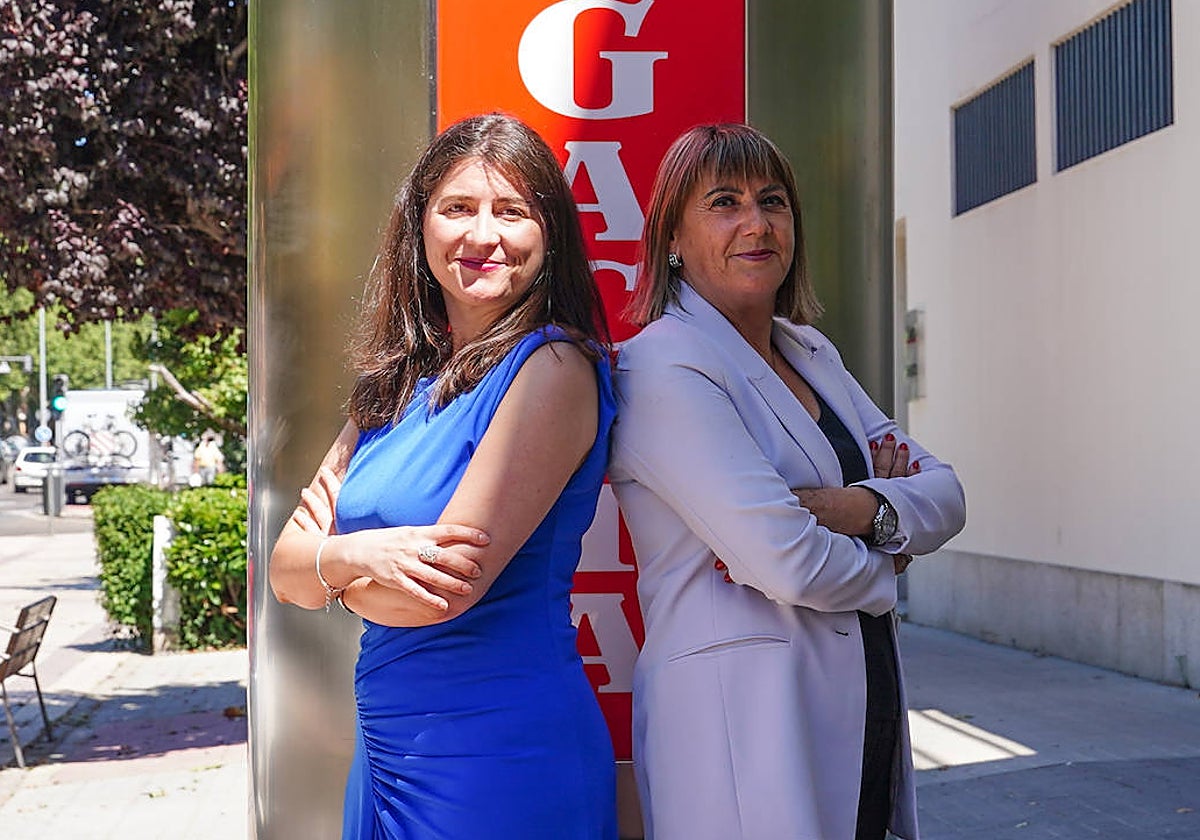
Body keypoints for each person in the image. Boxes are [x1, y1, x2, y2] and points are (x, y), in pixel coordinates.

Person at [608, 124, 967, 840]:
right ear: (671, 237)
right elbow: (789, 559)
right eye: (724, 202)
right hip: (742, 727)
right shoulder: (660, 366)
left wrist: (849, 508)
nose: (757, 222)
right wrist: (892, 554)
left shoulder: (808, 350)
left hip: (859, 710)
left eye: (772, 201)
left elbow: (946, 493)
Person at [269, 113, 618, 839]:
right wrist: (359, 556)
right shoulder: (395, 385)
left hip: (498, 758)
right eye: (457, 208)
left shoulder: (552, 368)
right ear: (419, 225)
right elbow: (281, 570)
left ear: (548, 233)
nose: (482, 236)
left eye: (512, 211)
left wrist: (325, 570)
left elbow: (437, 593)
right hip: (388, 752)